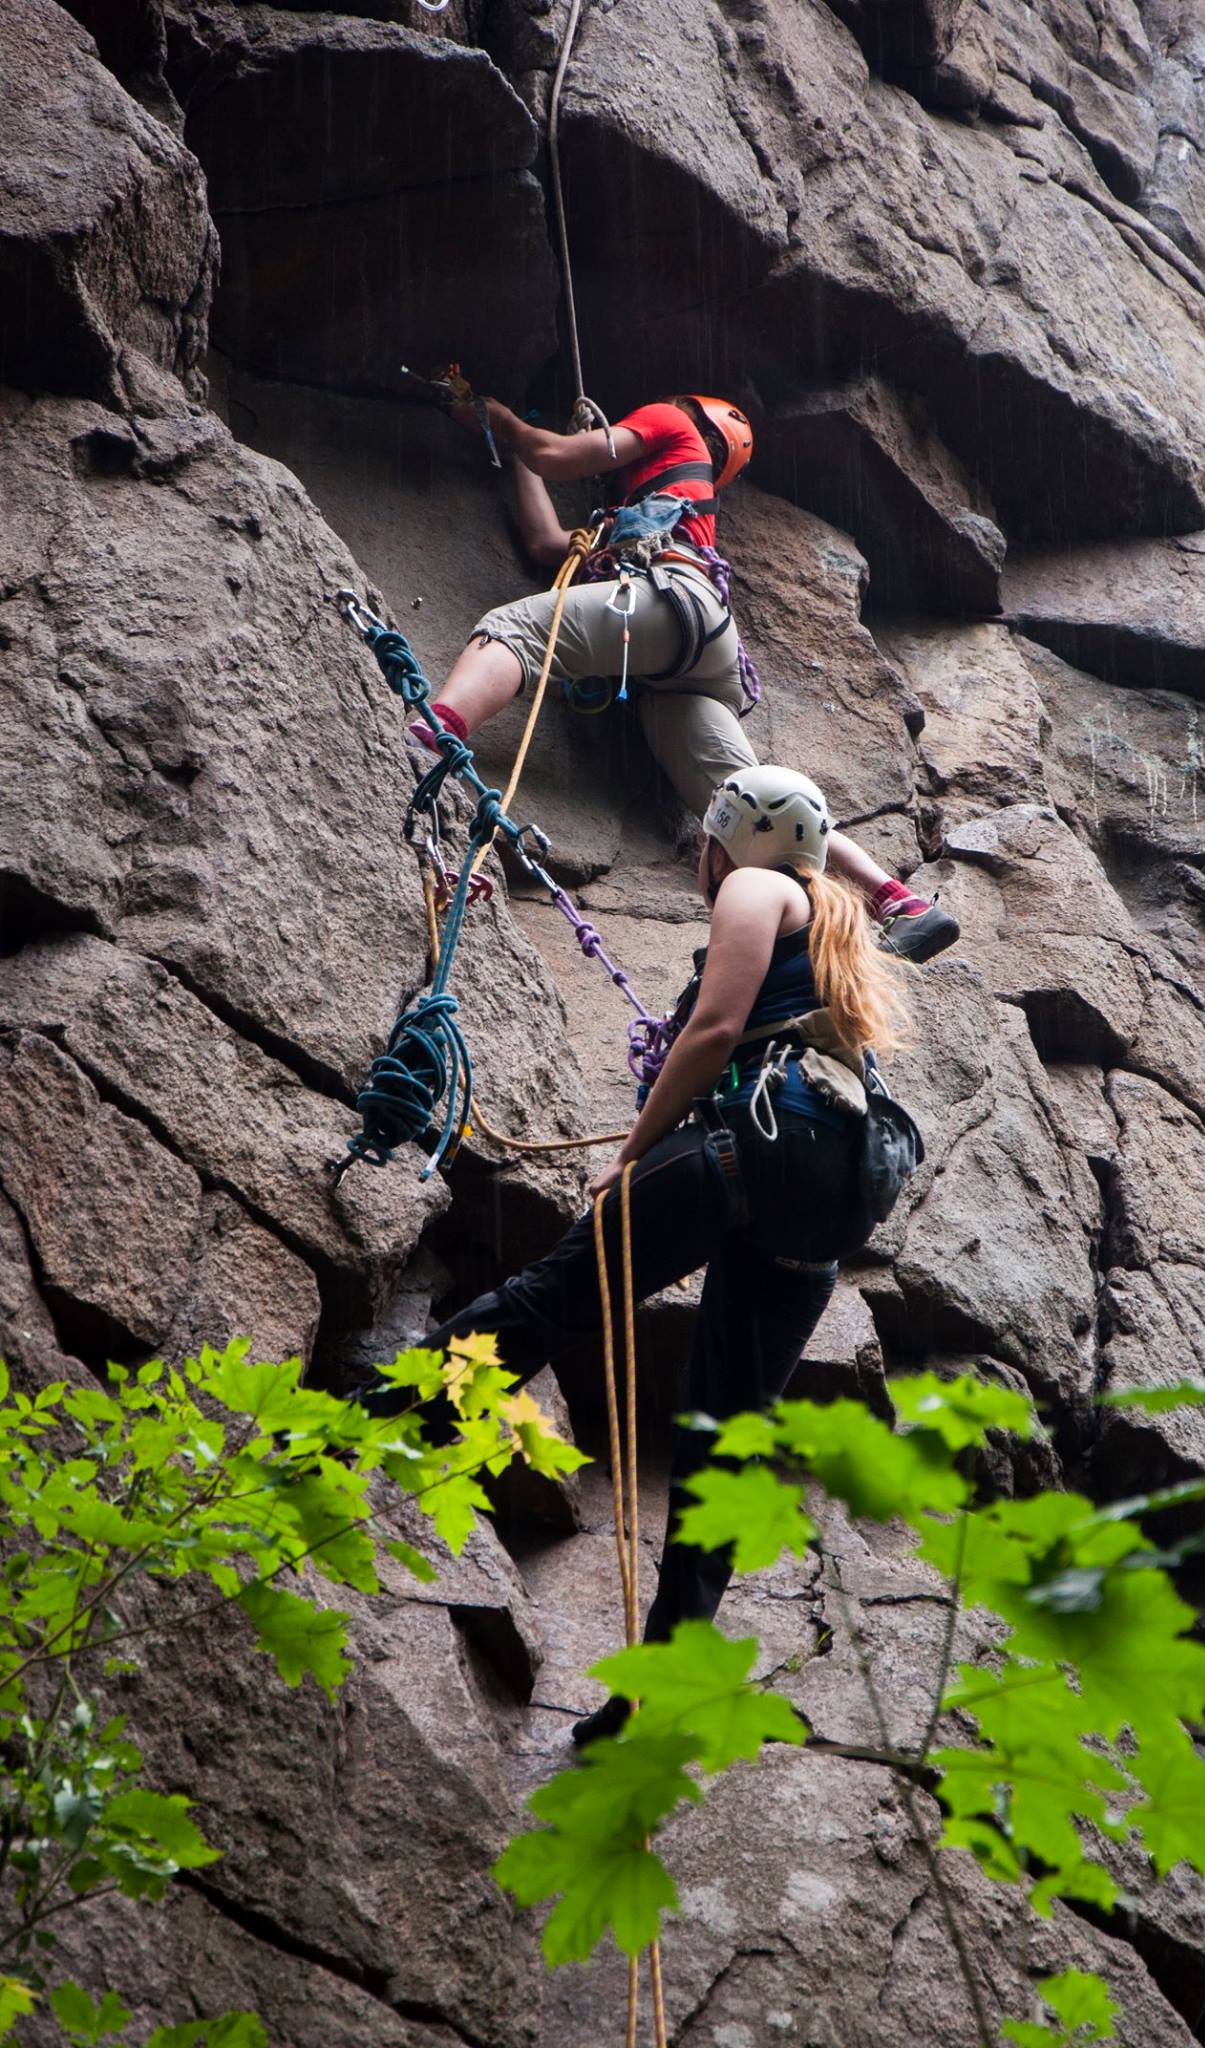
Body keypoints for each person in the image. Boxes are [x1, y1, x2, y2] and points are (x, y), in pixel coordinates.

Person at [416, 764, 911, 1745]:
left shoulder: (753, 886)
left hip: (746, 1145)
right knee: (725, 1443)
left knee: (549, 1297)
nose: (699, 861)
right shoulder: (832, 928)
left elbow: (717, 1027)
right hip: (826, 1200)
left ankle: (359, 1424)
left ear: (725, 840)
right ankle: (652, 1693)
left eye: (703, 844)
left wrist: (630, 1154)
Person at [416, 390, 959, 965]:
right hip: (698, 650)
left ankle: (427, 737)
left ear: (694, 417)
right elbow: (548, 544)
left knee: (512, 630)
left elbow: (554, 453)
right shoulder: (651, 510)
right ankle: (900, 903)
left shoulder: (674, 423)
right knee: (754, 806)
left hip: (669, 602)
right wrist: (524, 453)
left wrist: (492, 415)